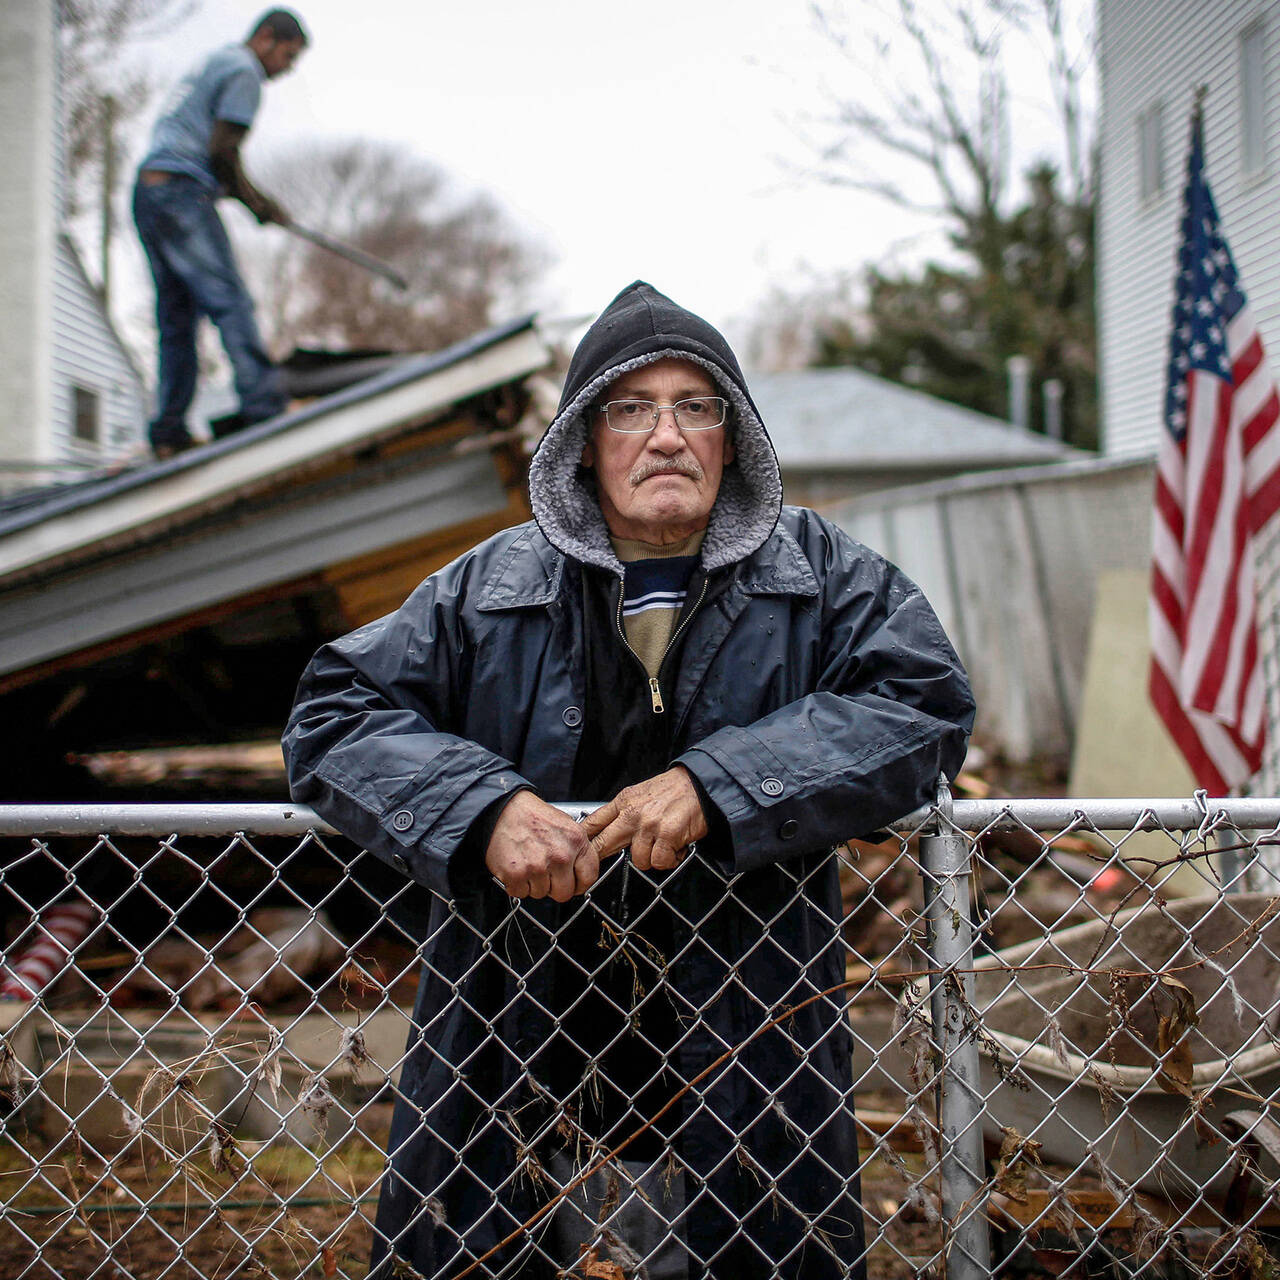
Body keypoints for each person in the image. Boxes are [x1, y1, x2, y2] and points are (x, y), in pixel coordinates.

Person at [283, 281, 975, 1279]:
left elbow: (924, 701)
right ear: (580, 440)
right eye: (628, 407)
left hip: (747, 1042)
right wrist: (480, 807)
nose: (665, 435)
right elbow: (332, 707)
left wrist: (724, 781)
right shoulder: (488, 587)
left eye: (695, 405)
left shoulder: (822, 577)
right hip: (512, 1032)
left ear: (732, 438)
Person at [132, 9, 308, 459]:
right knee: (228, 299)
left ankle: (169, 430)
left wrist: (247, 198)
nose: (285, 69)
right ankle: (264, 404)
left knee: (175, 319)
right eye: (287, 56)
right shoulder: (244, 70)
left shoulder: (215, 61)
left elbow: (216, 160)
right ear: (266, 38)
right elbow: (223, 152)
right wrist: (259, 204)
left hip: (149, 190)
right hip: (180, 193)